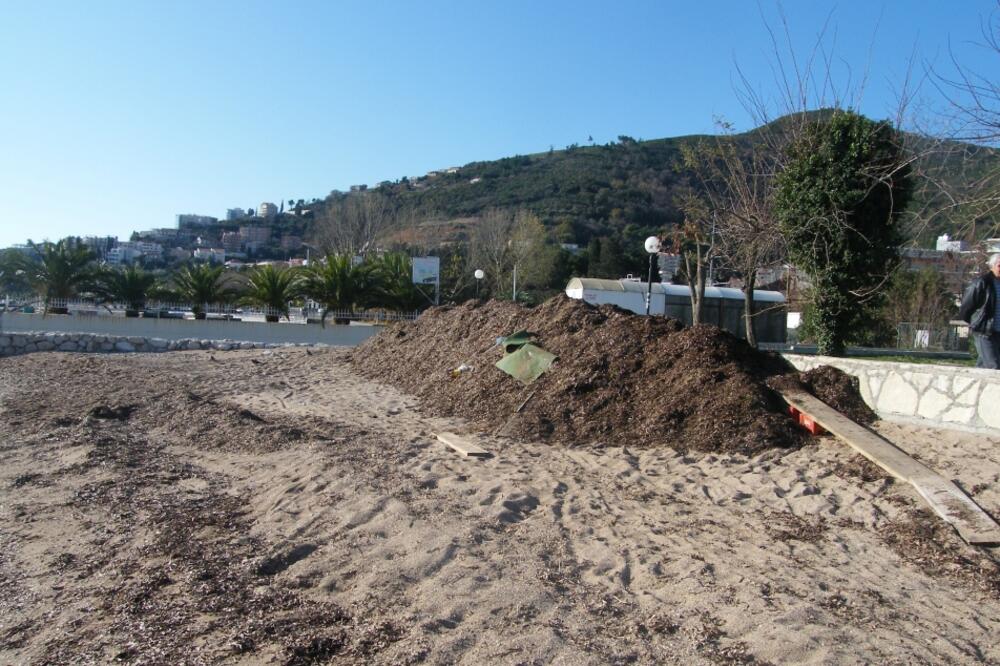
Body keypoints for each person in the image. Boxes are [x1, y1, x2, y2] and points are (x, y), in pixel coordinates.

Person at [959, 253, 1000, 369]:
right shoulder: (982, 283)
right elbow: (966, 306)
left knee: (983, 365)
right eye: (999, 266)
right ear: (992, 266)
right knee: (994, 366)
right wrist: (976, 323)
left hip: (998, 332)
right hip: (984, 332)